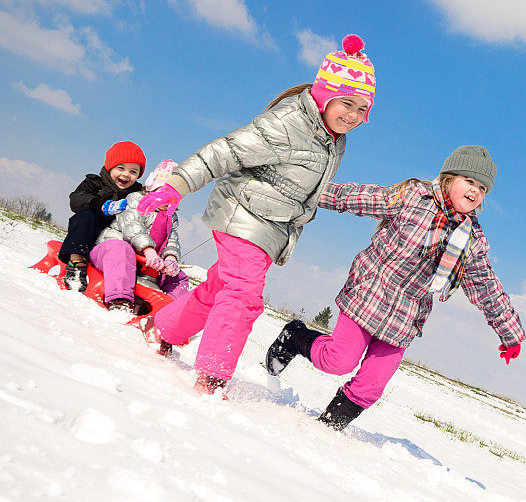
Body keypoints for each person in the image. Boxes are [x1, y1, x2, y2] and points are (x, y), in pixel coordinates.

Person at [137, 34, 377, 395]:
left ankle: (163, 327)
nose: (355, 116)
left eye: (363, 109)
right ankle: (212, 377)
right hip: (243, 212)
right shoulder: (288, 122)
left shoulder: (333, 137)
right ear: (326, 95)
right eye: (347, 103)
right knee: (242, 295)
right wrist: (177, 184)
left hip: (272, 226)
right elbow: (225, 151)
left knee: (220, 287)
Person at [265, 145, 525, 430]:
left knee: (371, 385)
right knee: (339, 360)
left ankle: (326, 430)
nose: (475, 191)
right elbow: (357, 198)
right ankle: (293, 336)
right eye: (470, 181)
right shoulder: (414, 196)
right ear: (450, 178)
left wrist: (509, 332)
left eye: (483, 188)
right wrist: (304, 191)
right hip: (371, 291)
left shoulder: (471, 239)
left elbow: (486, 285)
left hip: (407, 314)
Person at [90, 159, 190, 314]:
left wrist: (171, 257)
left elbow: (172, 239)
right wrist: (149, 249)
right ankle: (119, 300)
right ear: (152, 187)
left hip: (143, 263)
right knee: (122, 249)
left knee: (178, 277)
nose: (167, 200)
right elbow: (132, 226)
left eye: (173, 197)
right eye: (163, 192)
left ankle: (171, 312)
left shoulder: (171, 216)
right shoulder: (137, 200)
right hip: (112, 252)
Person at [59, 141, 145, 292]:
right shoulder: (94, 183)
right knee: (85, 217)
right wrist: (101, 205)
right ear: (110, 167)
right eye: (121, 168)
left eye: (133, 172)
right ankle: (76, 264)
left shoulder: (136, 194)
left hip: (112, 242)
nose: (126, 174)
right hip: (87, 235)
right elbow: (76, 199)